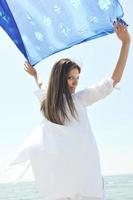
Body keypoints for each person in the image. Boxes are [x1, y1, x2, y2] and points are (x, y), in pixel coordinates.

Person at [23, 20, 130, 200]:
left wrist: (126, 43)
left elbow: (113, 80)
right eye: (70, 77)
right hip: (67, 179)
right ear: (59, 78)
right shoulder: (49, 101)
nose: (75, 82)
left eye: (77, 77)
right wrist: (35, 75)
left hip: (84, 177)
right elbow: (42, 84)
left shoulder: (79, 99)